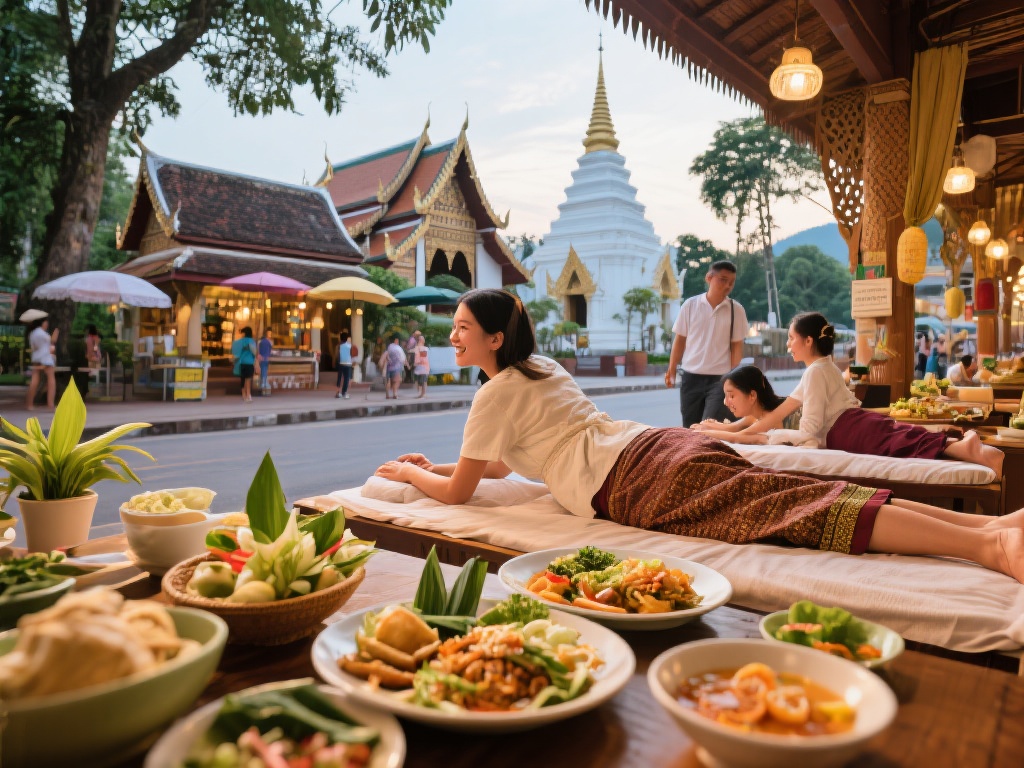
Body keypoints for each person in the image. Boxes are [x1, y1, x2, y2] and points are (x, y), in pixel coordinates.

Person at [375, 289, 1024, 584]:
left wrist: (408, 476)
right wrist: (436, 461)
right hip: (652, 446)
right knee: (797, 489)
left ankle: (991, 546)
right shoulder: (541, 368)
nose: (452, 336)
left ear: (493, 339)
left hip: (631, 480)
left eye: (461, 327)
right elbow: (488, 469)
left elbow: (459, 495)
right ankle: (989, 532)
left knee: (797, 507)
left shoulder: (494, 391)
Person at [695, 312, 1003, 474]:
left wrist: (740, 436)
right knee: (902, 436)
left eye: (791, 338)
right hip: (853, 424)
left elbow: (810, 432)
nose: (788, 345)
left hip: (847, 432)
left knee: (901, 441)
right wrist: (729, 432)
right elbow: (776, 414)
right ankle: (963, 446)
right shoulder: (820, 368)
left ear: (809, 341)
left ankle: (964, 448)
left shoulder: (816, 372)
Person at [666, 260, 748, 427]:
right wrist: (672, 369)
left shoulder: (736, 310)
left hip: (720, 380)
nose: (727, 286)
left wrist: (730, 375)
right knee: (690, 428)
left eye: (731, 282)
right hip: (690, 378)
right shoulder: (690, 305)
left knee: (710, 427)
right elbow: (680, 340)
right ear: (709, 278)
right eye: (723, 280)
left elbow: (737, 346)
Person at [689, 365, 784, 444]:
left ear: (752, 395)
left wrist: (703, 432)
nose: (725, 402)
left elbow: (737, 437)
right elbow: (734, 428)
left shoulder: (770, 417)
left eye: (731, 396)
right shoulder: (755, 415)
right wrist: (708, 426)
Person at [26, 317, 57, 411]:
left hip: (36, 358)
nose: (47, 324)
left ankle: (29, 404)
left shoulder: (32, 333)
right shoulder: (43, 333)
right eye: (45, 322)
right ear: (42, 323)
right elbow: (52, 342)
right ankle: (50, 404)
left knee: (34, 381)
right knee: (51, 381)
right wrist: (55, 333)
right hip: (46, 358)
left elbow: (34, 347)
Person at [231, 326, 257, 403]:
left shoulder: (239, 342)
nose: (241, 335)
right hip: (250, 362)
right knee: (248, 379)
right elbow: (254, 352)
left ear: (245, 333)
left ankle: (244, 395)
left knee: (242, 379)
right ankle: (249, 395)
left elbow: (235, 352)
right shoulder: (252, 341)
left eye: (242, 333)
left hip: (242, 363)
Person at [382, 334, 408, 400]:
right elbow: (402, 358)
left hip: (388, 367)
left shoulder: (388, 347)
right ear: (396, 340)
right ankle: (395, 393)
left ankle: (387, 394)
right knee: (397, 380)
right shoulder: (398, 348)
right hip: (396, 367)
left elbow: (385, 356)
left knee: (388, 381)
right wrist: (406, 363)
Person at [335, 331, 353, 399]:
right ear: (347, 338)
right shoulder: (349, 345)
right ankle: (344, 393)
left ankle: (338, 392)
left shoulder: (338, 346)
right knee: (346, 379)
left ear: (340, 338)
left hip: (340, 363)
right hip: (348, 363)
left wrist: (336, 361)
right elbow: (351, 355)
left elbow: (337, 355)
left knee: (339, 378)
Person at [257, 329, 273, 395]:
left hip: (261, 358)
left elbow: (258, 350)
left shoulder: (260, 342)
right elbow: (270, 350)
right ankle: (264, 383)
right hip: (267, 358)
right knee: (265, 370)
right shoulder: (269, 342)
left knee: (262, 370)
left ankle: (262, 383)